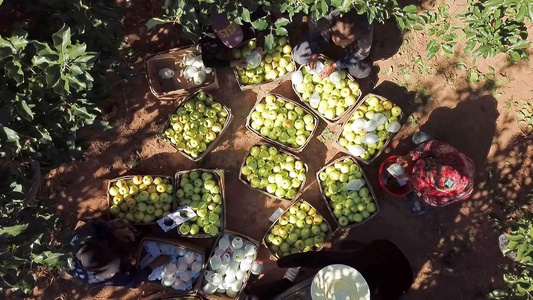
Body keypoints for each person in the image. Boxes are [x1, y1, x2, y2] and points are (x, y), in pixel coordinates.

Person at [247, 239, 413, 300]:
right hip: (377, 251)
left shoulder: (386, 289)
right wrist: (277, 264)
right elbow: (314, 258)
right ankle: (358, 245)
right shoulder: (347, 264)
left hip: (394, 275)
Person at [67, 219, 169, 287]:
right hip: (86, 262)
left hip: (98, 241)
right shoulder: (99, 278)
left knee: (121, 224)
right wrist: (155, 264)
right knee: (130, 270)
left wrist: (113, 232)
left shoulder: (84, 236)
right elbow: (133, 281)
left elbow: (95, 224)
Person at [397, 133, 476, 210]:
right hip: (453, 160)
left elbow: (423, 195)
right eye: (432, 168)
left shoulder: (438, 199)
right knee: (418, 137)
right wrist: (411, 156)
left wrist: (409, 178)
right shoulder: (453, 157)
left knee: (413, 207)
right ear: (444, 164)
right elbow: (432, 146)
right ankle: (439, 146)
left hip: (429, 192)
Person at [292, 8, 373, 79]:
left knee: (361, 71)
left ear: (351, 37)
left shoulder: (365, 26)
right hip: (325, 33)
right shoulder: (326, 14)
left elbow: (362, 53)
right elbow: (313, 28)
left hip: (352, 42)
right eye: (334, 40)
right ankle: (325, 45)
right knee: (300, 56)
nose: (339, 46)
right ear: (330, 29)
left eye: (343, 44)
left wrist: (335, 65)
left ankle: (345, 56)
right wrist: (314, 51)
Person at [201, 10, 266, 69]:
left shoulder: (241, 12)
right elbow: (207, 62)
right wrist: (232, 63)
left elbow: (261, 17)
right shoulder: (211, 40)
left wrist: (260, 46)